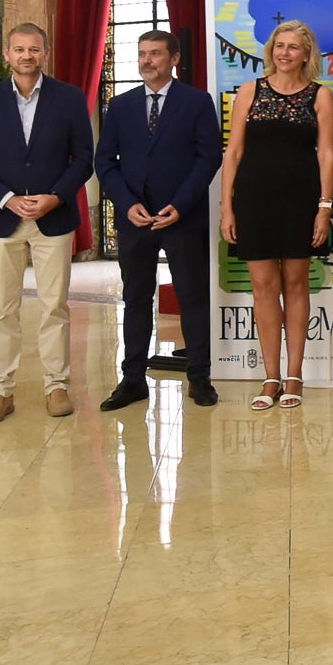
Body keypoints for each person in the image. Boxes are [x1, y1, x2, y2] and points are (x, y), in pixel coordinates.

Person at [0, 22, 93, 425]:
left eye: (34, 49)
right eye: (19, 50)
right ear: (7, 55)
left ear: (45, 53)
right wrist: (7, 198)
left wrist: (55, 197)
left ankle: (57, 386)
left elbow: (84, 159)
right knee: (2, 310)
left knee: (55, 306)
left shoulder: (69, 99)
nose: (26, 56)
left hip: (54, 217)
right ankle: (0, 392)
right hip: (5, 219)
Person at [97, 30, 223, 413]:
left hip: (182, 218)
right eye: (142, 54)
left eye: (154, 53)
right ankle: (133, 379)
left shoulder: (197, 102)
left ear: (174, 59)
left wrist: (180, 205)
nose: (146, 60)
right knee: (136, 298)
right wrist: (127, 202)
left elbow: (209, 158)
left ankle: (199, 377)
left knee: (192, 297)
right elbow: (105, 162)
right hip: (135, 218)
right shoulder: (120, 106)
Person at [223, 19, 333, 410]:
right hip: (254, 200)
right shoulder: (250, 91)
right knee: (263, 287)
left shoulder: (320, 96)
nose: (284, 52)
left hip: (301, 200)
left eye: (292, 47)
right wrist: (227, 207)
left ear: (307, 54)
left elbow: (326, 154)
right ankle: (270, 377)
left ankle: (294, 375)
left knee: (296, 284)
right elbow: (234, 152)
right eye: (279, 45)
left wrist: (325, 208)